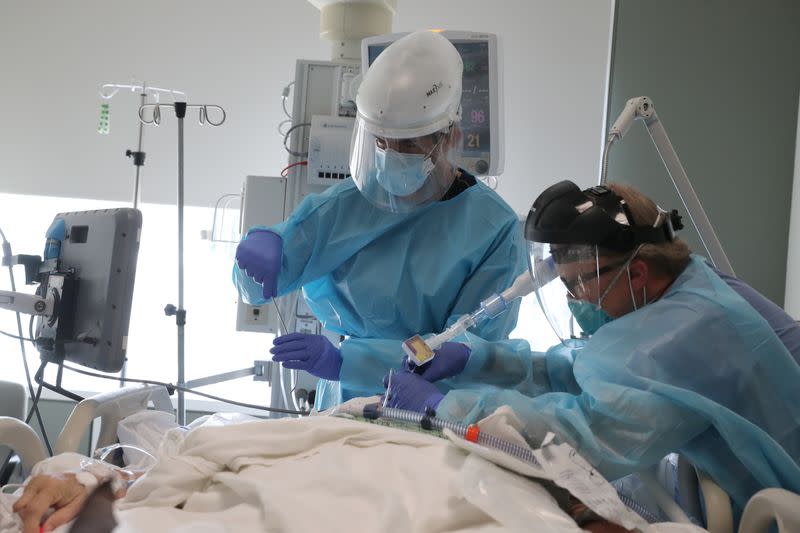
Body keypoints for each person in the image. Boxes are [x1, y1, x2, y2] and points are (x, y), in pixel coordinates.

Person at [382, 179, 800, 522]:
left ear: (637, 272)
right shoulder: (682, 287)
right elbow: (587, 369)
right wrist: (482, 360)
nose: (573, 299)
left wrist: (448, 410)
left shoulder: (682, 335)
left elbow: (578, 437)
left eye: (579, 284)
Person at [233, 30, 527, 410]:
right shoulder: (347, 204)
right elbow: (256, 286)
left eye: (408, 145)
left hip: (431, 408)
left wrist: (346, 363)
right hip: (340, 403)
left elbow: (470, 349)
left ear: (450, 138)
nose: (390, 156)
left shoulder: (494, 230)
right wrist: (255, 256)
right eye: (381, 143)